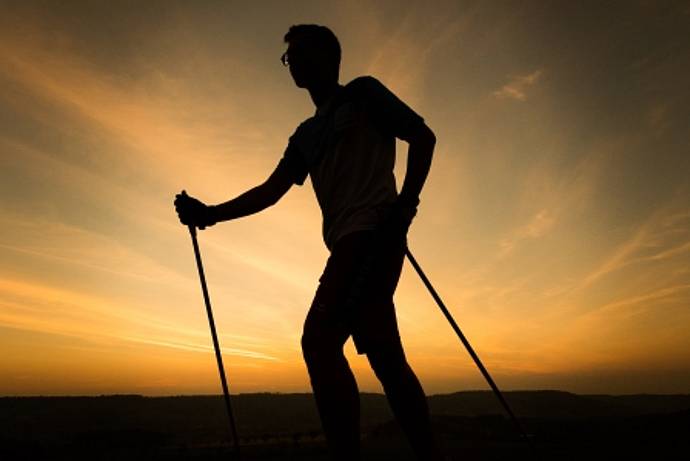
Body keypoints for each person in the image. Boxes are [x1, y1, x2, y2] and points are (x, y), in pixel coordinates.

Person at [175, 24, 440, 461]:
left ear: (328, 57)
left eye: (298, 53)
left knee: (318, 342)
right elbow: (270, 191)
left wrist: (403, 211)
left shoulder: (363, 94)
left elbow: (423, 138)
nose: (291, 62)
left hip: (369, 235)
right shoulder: (306, 135)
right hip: (353, 243)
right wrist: (209, 215)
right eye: (288, 57)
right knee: (386, 358)